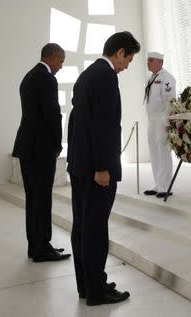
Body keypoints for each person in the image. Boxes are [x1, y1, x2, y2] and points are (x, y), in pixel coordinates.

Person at [67, 31, 140, 306]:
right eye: (128, 59)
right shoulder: (107, 77)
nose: (126, 66)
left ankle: (87, 285)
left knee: (82, 227)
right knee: (95, 229)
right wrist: (102, 167)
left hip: (79, 166)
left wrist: (77, 162)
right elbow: (103, 127)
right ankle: (98, 292)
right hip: (96, 170)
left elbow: (77, 122)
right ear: (120, 52)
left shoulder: (87, 74)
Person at [12, 43, 71, 262]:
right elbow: (52, 114)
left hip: (27, 147)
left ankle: (34, 246)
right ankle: (42, 248)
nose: (61, 67)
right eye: (61, 61)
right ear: (53, 57)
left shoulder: (28, 77)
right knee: (43, 199)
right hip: (41, 149)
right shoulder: (47, 79)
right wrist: (58, 144)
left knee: (33, 199)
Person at [143, 52, 176, 198]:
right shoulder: (151, 78)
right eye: (147, 60)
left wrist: (169, 121)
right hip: (152, 120)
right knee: (154, 153)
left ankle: (166, 186)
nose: (148, 62)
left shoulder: (166, 78)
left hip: (162, 119)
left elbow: (170, 100)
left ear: (160, 62)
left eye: (151, 60)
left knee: (163, 152)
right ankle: (158, 184)